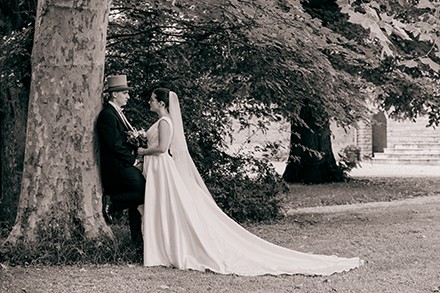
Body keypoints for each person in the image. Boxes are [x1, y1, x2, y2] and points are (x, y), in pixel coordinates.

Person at [136, 88, 363, 276]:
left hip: (161, 166)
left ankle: (166, 247)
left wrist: (143, 149)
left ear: (162, 103)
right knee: (162, 206)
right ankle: (161, 246)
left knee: (165, 204)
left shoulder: (165, 122)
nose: (149, 102)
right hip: (157, 167)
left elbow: (163, 148)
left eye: (152, 99)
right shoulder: (162, 121)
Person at [97, 75, 145, 246]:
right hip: (118, 168)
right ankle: (113, 202)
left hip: (124, 164)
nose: (128, 96)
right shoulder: (107, 116)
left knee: (139, 199)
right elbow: (114, 145)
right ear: (114, 94)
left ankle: (137, 243)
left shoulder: (117, 114)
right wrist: (133, 161)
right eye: (125, 93)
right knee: (145, 192)